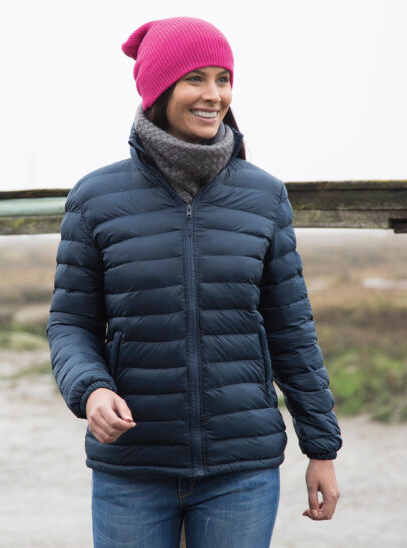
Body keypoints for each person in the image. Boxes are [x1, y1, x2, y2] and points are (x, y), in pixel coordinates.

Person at [46, 16, 342, 548]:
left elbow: (291, 331)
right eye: (195, 79)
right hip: (133, 467)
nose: (214, 94)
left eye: (223, 79)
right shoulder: (94, 199)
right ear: (160, 90)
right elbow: (70, 323)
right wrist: (90, 389)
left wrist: (321, 448)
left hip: (241, 469)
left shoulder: (264, 197)